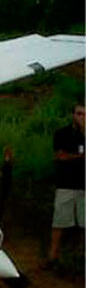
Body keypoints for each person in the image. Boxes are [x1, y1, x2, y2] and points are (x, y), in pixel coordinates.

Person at [47, 103, 85, 265]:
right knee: (60, 221)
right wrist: (79, 157)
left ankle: (81, 255)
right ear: (73, 115)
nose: (82, 117)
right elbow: (60, 156)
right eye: (79, 114)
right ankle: (52, 255)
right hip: (67, 184)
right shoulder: (63, 134)